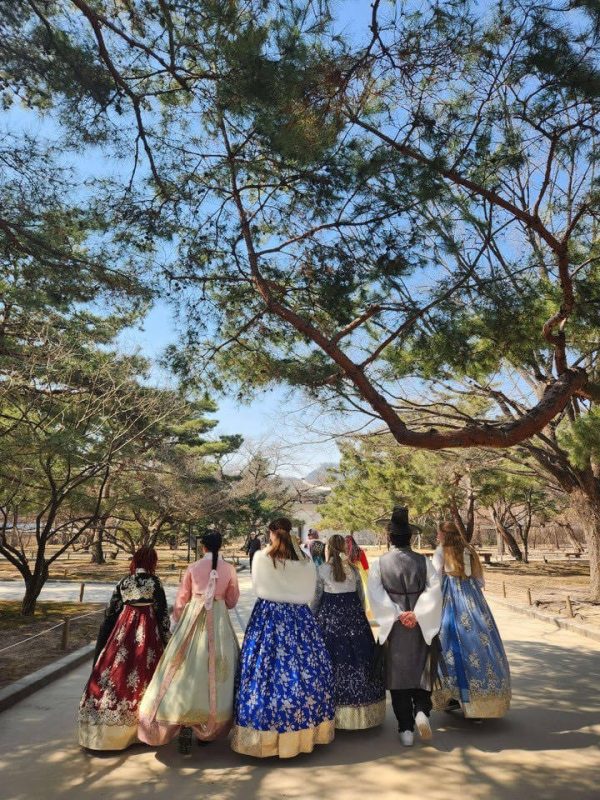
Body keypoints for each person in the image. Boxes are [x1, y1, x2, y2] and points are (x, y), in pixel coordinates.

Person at [231, 517, 335, 758]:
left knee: (262, 673)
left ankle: (263, 736)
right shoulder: (306, 562)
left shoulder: (261, 558)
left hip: (268, 616)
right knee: (304, 672)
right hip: (299, 618)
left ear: (271, 533)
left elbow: (258, 587)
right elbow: (309, 593)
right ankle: (304, 733)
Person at [138, 531, 240, 750]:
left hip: (193, 616)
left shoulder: (193, 568)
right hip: (219, 618)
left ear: (203, 547)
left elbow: (181, 599)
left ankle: (182, 720)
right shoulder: (229, 568)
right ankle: (208, 728)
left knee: (184, 668)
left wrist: (177, 622)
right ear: (220, 546)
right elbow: (232, 601)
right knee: (214, 669)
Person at [78, 546, 170, 751]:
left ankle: (105, 730)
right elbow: (162, 615)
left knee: (116, 671)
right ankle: (142, 729)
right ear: (152, 562)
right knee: (145, 675)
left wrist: (104, 642)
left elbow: (111, 613)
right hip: (148, 633)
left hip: (123, 630)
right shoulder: (154, 583)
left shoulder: (124, 582)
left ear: (135, 561)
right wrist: (167, 639)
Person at [368, 506, 442, 747]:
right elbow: (435, 590)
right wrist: (417, 614)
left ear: (390, 538)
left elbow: (376, 595)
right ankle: (422, 710)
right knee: (423, 669)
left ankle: (406, 728)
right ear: (410, 537)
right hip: (420, 626)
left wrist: (398, 614)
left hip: (396, 628)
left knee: (397, 676)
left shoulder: (379, 564)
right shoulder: (424, 562)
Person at [432, 522, 511, 719]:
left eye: (439, 533)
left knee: (450, 642)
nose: (437, 536)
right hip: (473, 598)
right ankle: (484, 696)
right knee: (479, 641)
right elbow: (479, 579)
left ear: (444, 535)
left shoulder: (441, 551)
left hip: (451, 598)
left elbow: (435, 579)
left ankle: (454, 694)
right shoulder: (469, 550)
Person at [311, 534, 386, 730]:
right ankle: (363, 711)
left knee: (332, 660)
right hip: (354, 619)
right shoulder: (353, 569)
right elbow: (361, 598)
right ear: (344, 548)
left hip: (330, 620)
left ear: (329, 548)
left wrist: (312, 617)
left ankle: (331, 711)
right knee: (359, 659)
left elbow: (317, 597)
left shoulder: (321, 569)